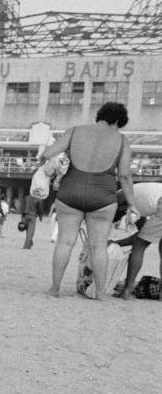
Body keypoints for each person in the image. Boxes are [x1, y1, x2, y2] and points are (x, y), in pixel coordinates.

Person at [40, 102, 138, 299]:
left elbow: (47, 154)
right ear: (118, 121)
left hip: (70, 192)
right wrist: (132, 204)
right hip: (103, 197)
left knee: (65, 242)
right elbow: (125, 176)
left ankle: (55, 289)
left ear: (100, 115)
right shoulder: (121, 141)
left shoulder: (75, 131)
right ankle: (101, 293)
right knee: (98, 246)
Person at [114, 181, 162, 299]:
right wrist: (117, 243)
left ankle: (127, 290)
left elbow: (139, 242)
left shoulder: (117, 199)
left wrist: (115, 243)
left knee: (138, 248)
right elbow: (140, 235)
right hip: (158, 200)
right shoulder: (137, 203)